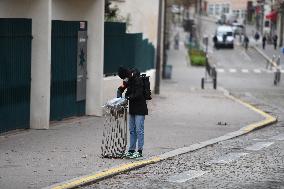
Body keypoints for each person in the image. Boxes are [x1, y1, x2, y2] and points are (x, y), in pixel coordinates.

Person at [117, 67, 148, 159]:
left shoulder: (138, 80)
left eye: (124, 78)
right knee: (132, 130)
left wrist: (127, 98)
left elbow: (138, 94)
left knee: (139, 130)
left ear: (127, 74)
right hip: (133, 108)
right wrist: (119, 91)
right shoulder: (127, 78)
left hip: (140, 108)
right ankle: (131, 150)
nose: (124, 80)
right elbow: (123, 87)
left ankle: (140, 151)